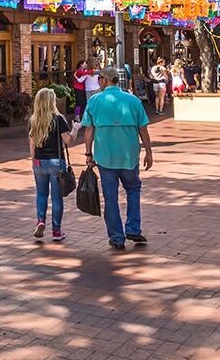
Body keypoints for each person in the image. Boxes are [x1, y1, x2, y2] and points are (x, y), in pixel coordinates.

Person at [82, 67, 154, 251]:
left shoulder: (95, 101)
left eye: (99, 78)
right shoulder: (132, 100)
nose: (98, 81)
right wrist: (148, 151)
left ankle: (116, 237)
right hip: (129, 155)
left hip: (105, 157)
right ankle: (133, 228)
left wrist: (88, 153)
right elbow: (143, 129)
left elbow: (88, 130)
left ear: (105, 80)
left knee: (111, 196)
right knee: (133, 189)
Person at [27, 88, 77, 242]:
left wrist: (34, 160)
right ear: (52, 101)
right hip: (56, 161)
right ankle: (56, 231)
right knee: (56, 198)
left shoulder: (33, 120)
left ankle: (40, 220)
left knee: (41, 194)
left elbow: (32, 143)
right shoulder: (58, 119)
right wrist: (75, 128)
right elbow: (68, 140)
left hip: (39, 162)